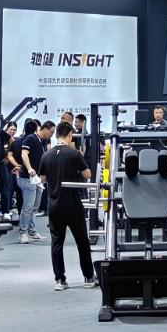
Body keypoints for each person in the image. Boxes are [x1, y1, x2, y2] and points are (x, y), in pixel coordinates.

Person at [39, 121, 96, 290]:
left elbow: (43, 179)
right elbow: (87, 174)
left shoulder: (46, 155)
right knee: (82, 241)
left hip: (54, 204)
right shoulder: (74, 153)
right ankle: (88, 277)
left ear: (57, 135)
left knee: (57, 242)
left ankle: (60, 280)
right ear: (70, 135)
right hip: (72, 204)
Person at [9, 119, 44, 242]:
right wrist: (25, 167)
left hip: (30, 177)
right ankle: (23, 232)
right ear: (36, 129)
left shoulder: (17, 141)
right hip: (27, 176)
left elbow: (9, 155)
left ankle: (31, 231)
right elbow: (23, 155)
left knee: (31, 206)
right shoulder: (31, 140)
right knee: (28, 207)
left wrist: (16, 165)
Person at [35, 120, 57, 216]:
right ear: (44, 129)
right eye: (51, 132)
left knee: (43, 191)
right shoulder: (33, 139)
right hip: (33, 172)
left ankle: (44, 209)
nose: (52, 135)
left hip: (42, 171)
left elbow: (47, 152)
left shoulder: (45, 140)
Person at [0, 121, 19, 218]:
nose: (12, 131)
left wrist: (7, 157)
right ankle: (5, 208)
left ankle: (7, 208)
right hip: (2, 165)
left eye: (14, 130)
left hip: (12, 166)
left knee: (10, 187)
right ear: (7, 129)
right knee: (6, 187)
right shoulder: (2, 137)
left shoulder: (14, 140)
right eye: (11, 129)